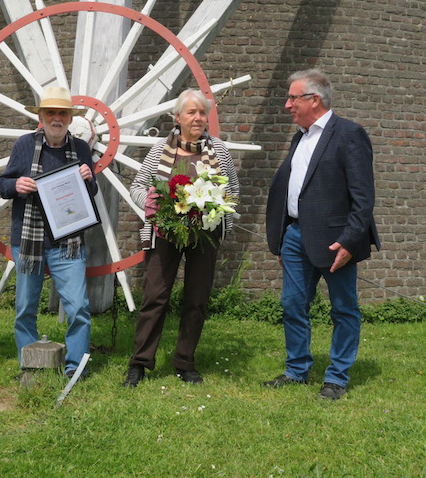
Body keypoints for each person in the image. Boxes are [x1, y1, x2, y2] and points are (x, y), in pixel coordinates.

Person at [264, 68, 379, 400]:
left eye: (292, 98)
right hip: (295, 236)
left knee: (343, 308)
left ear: (313, 100)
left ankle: (337, 378)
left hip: (335, 241)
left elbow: (363, 197)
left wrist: (349, 240)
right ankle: (297, 370)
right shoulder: (300, 136)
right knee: (292, 304)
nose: (287, 105)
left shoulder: (349, 135)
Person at [122, 89, 240, 387]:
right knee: (155, 297)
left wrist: (217, 208)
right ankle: (140, 362)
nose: (198, 118)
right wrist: (154, 203)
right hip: (165, 234)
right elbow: (137, 187)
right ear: (178, 117)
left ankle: (185, 362)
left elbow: (233, 193)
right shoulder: (161, 148)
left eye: (202, 113)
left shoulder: (220, 151)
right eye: (192, 112)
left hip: (204, 235)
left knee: (196, 299)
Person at [0, 85, 97, 384]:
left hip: (67, 241)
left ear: (69, 118)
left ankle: (74, 365)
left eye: (62, 113)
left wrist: (88, 179)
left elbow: (90, 193)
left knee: (78, 305)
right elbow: (3, 185)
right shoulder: (25, 145)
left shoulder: (80, 148)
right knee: (25, 307)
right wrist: (17, 186)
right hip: (29, 240)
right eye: (51, 112)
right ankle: (29, 363)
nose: (56, 118)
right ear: (41, 116)